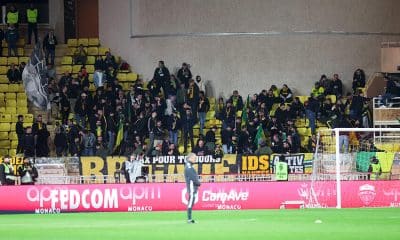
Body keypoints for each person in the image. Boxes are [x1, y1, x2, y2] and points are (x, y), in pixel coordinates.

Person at [184, 152, 201, 224]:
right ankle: (189, 219)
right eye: (194, 158)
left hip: (192, 187)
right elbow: (193, 178)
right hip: (192, 188)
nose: (195, 159)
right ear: (190, 158)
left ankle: (190, 219)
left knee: (191, 202)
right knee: (190, 203)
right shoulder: (189, 167)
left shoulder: (188, 166)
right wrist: (198, 183)